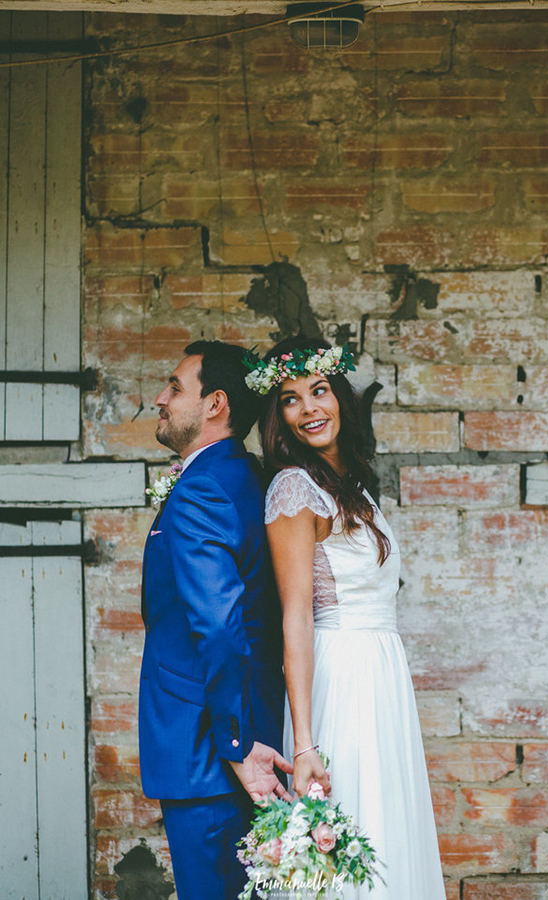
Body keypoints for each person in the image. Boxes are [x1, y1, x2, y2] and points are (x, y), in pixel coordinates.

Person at [250, 336, 446, 899]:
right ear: (279, 418)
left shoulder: (353, 483)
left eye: (318, 391)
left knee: (387, 827)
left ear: (339, 395)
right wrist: (306, 742)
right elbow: (296, 618)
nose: (309, 408)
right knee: (345, 831)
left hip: (383, 676)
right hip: (340, 680)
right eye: (290, 399)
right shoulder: (294, 489)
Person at [138, 340, 292, 900]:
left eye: (175, 388)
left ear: (215, 404)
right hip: (232, 743)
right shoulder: (243, 475)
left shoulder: (202, 487)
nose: (161, 398)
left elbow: (219, 625)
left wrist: (237, 744)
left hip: (213, 751)